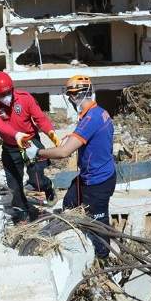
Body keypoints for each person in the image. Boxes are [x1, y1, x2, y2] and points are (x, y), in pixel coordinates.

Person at [24, 75, 116, 259]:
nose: (70, 100)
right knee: (70, 202)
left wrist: (37, 153)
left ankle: (102, 256)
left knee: (98, 221)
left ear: (76, 95)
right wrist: (74, 135)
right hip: (94, 174)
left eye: (70, 96)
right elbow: (88, 135)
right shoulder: (98, 112)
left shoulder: (91, 119)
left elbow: (63, 152)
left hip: (97, 182)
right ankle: (76, 233)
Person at [0, 71, 59, 223]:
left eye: (8, 92)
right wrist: (16, 135)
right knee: (14, 184)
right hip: (11, 147)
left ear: (12, 88)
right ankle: (22, 211)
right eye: (2, 94)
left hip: (30, 143)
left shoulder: (25, 98)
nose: (6, 96)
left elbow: (40, 118)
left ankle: (47, 186)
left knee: (36, 178)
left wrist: (50, 132)